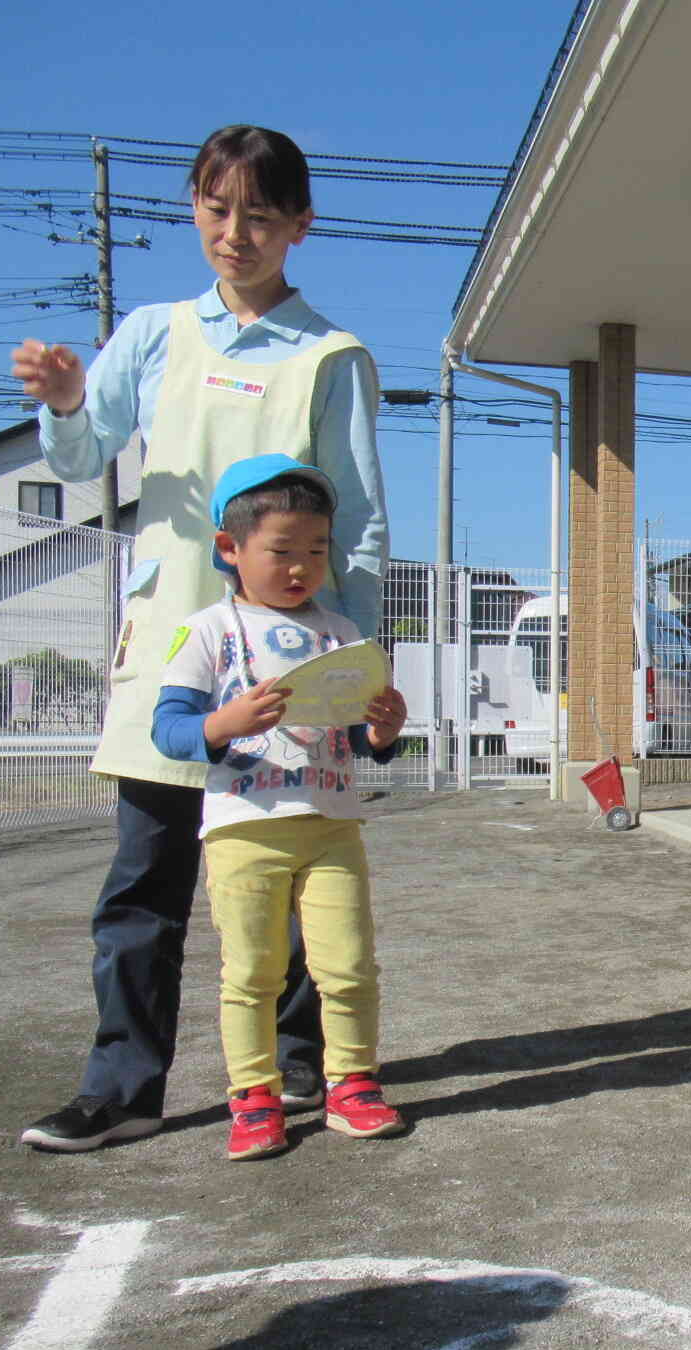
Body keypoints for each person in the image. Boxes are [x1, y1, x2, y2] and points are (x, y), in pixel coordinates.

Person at [11, 125, 388, 1153]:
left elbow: (358, 524)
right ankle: (122, 1088)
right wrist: (62, 405)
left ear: (300, 227)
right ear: (192, 209)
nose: (236, 233)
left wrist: (362, 672)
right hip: (172, 654)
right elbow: (88, 451)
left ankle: (298, 1067)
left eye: (261, 215)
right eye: (218, 209)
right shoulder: (152, 333)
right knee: (144, 881)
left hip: (294, 669)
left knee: (299, 869)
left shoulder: (330, 357)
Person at [151, 454, 406, 1160]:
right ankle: (254, 1098)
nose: (301, 568)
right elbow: (168, 728)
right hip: (241, 829)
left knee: (349, 965)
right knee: (252, 973)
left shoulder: (343, 633)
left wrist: (383, 730)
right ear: (229, 550)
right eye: (282, 552)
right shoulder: (208, 630)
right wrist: (224, 723)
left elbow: (360, 737)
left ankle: (352, 1084)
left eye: (317, 551)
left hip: (332, 827)